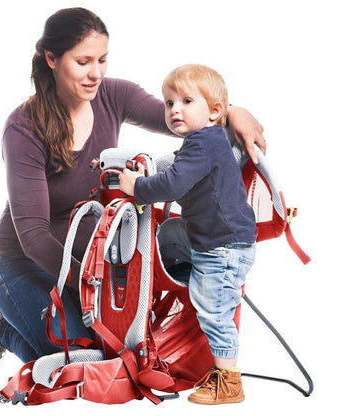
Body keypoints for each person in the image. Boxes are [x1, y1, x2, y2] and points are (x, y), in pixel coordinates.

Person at [0, 7, 264, 374]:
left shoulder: (112, 95)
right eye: (83, 62)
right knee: (76, 363)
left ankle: (25, 319)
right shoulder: (23, 128)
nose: (96, 73)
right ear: (52, 59)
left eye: (102, 60)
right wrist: (91, 288)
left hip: (91, 256)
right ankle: (1, 325)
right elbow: (33, 237)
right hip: (22, 261)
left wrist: (233, 112)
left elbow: (181, 119)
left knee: (110, 357)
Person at [119, 64, 256, 405]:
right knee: (209, 300)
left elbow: (173, 184)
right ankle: (220, 371)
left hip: (222, 245)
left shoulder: (202, 142)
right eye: (168, 103)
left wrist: (138, 187)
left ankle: (229, 382)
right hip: (220, 240)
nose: (174, 109)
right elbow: (179, 174)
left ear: (214, 111)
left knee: (214, 312)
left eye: (186, 101)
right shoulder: (207, 141)